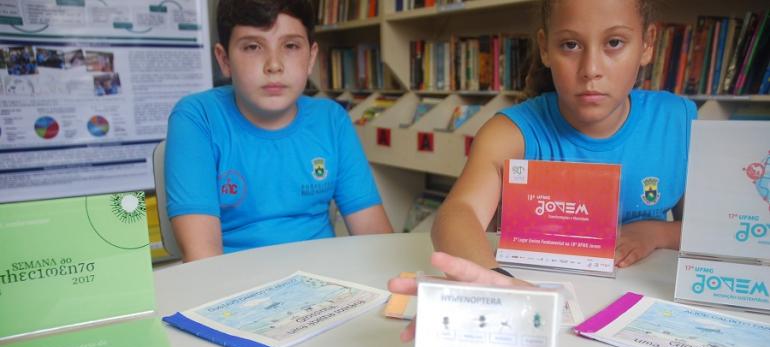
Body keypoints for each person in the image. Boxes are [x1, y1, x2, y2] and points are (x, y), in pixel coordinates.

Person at [431, 0, 697, 273]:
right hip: (544, 296)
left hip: (644, 301)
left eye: (614, 42)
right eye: (571, 45)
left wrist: (657, 233)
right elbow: (458, 214)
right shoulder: (510, 134)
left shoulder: (680, 120)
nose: (591, 69)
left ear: (647, 43)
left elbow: (714, 234)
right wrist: (495, 281)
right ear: (545, 48)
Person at [165, 0, 392, 262]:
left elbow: (377, 240)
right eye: (252, 46)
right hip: (233, 286)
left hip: (325, 284)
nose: (274, 65)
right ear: (224, 60)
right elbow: (202, 259)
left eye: (291, 46)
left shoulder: (331, 120)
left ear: (311, 57)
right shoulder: (197, 117)